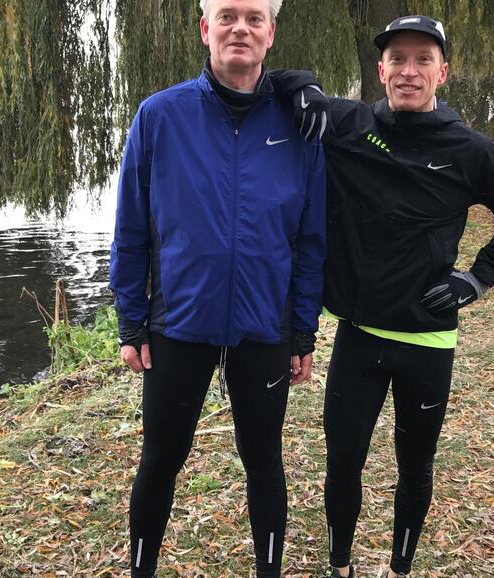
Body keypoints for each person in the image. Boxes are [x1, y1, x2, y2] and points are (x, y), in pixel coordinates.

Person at [273, 14, 494, 578]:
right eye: (397, 59)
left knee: (415, 466)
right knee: (343, 462)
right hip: (359, 336)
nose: (408, 71)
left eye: (423, 60)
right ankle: (340, 566)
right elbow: (272, 80)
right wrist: (308, 88)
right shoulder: (349, 124)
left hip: (428, 341)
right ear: (381, 70)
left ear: (443, 72)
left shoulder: (471, 150)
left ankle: (400, 567)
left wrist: (477, 278)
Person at [109, 0, 326, 576]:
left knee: (265, 461)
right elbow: (131, 229)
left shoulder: (300, 124)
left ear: (271, 33)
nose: (240, 29)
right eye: (227, 16)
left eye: (254, 19)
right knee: (160, 459)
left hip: (264, 326)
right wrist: (131, 321)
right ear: (205, 28)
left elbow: (310, 239)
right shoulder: (160, 116)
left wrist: (302, 329)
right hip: (179, 323)